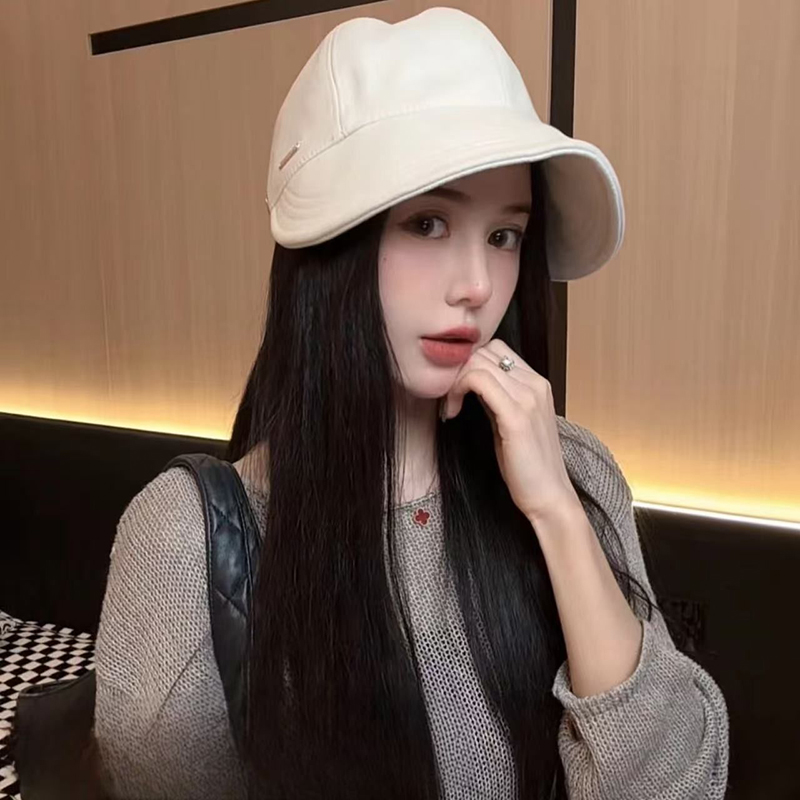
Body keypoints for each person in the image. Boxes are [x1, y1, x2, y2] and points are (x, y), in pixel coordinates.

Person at [92, 7, 729, 800]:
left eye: (504, 235)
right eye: (428, 223)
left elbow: (675, 785)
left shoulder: (574, 470)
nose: (477, 285)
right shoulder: (184, 543)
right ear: (330, 250)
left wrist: (557, 513)